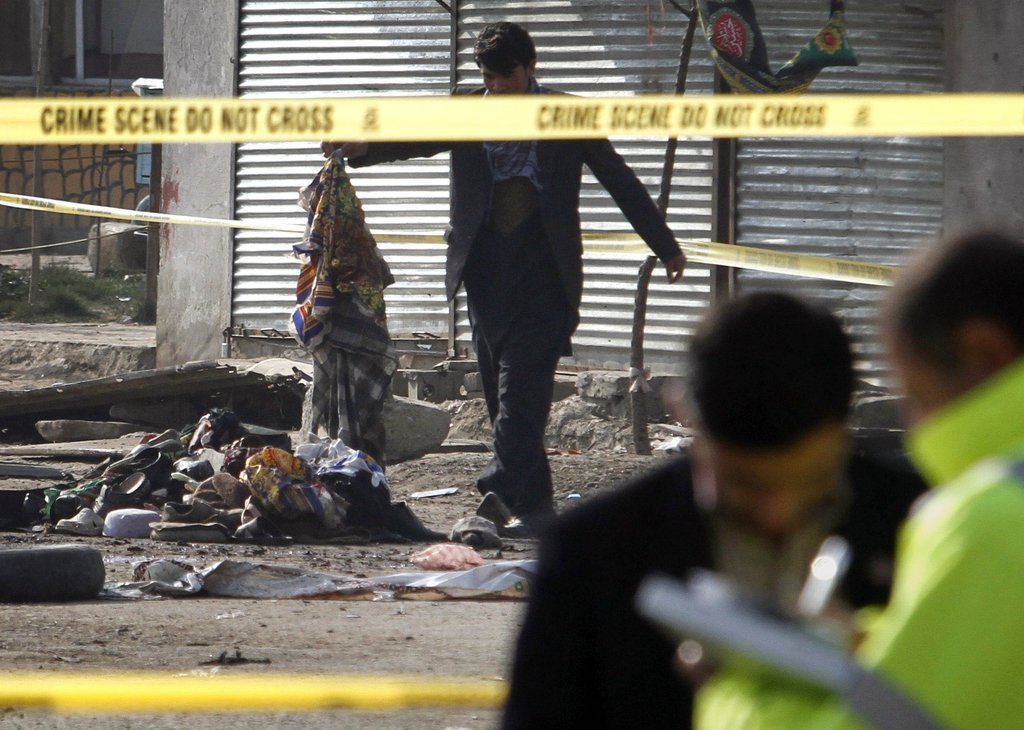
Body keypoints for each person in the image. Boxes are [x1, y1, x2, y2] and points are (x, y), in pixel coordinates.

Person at [502, 292, 926, 729]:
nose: (775, 512)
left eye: (808, 482)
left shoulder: (925, 523)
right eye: (742, 485)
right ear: (682, 413)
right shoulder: (595, 554)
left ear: (844, 423)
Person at [327, 21, 686, 532]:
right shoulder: (468, 108)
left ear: (531, 68)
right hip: (486, 273)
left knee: (521, 392)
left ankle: (495, 492)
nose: (495, 87)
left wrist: (665, 246)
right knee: (503, 398)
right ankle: (536, 509)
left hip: (545, 273)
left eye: (505, 77)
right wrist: (363, 146)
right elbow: (416, 137)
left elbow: (620, 179)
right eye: (488, 78)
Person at [695, 231, 1024, 729]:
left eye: (913, 394)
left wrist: (736, 691)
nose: (913, 424)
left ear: (983, 354)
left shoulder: (985, 523)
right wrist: (876, 641)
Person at [291, 149, 396, 464]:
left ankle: (357, 460)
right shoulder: (343, 236)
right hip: (343, 329)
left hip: (348, 330)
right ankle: (348, 457)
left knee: (356, 400)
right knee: (348, 398)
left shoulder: (342, 241)